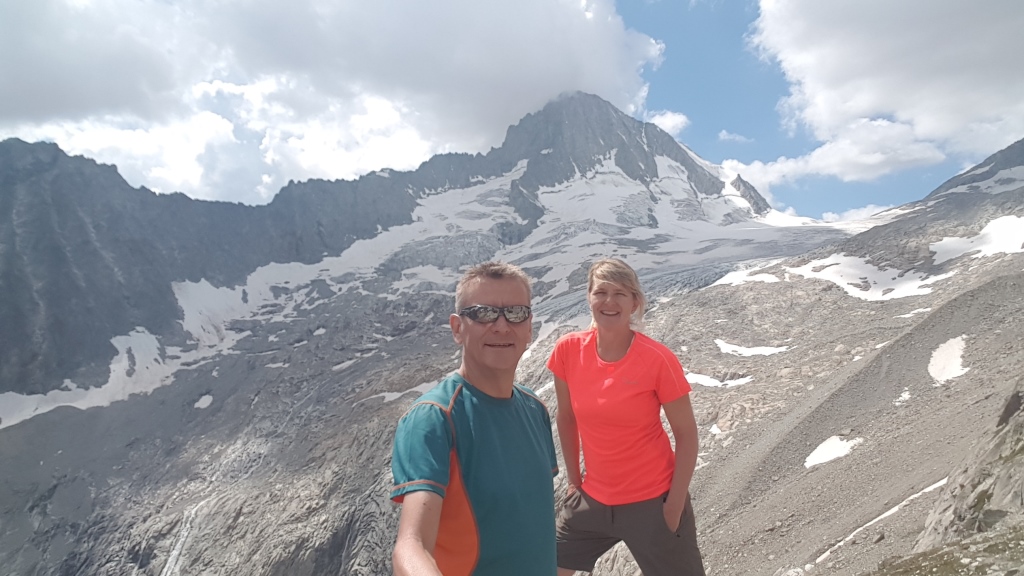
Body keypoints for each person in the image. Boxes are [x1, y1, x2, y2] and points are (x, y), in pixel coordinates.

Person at [391, 261, 559, 576]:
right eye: (483, 313)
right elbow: (411, 546)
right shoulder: (433, 418)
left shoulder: (535, 408)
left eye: (516, 313)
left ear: (529, 327)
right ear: (457, 328)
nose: (501, 326)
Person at [548, 258, 705, 576]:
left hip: (652, 502)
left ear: (634, 302)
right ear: (589, 297)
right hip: (592, 500)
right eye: (600, 292)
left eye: (620, 293)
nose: (609, 301)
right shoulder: (568, 350)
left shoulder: (657, 359)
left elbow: (686, 434)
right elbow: (566, 417)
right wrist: (575, 481)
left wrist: (673, 506)